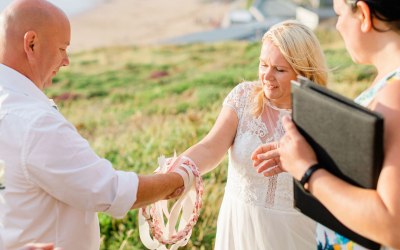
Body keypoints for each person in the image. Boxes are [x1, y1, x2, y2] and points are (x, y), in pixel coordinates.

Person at [0, 0, 186, 249]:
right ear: (31, 43)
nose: (66, 61)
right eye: (61, 48)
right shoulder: (37, 125)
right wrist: (179, 179)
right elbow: (110, 191)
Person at [252, 0, 400, 249]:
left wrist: (308, 171)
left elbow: (393, 226)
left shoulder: (394, 94)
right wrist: (305, 156)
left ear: (363, 14)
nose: (338, 26)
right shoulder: (387, 81)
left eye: (339, 14)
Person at [173, 20, 328, 249]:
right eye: (263, 64)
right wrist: (177, 171)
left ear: (303, 71)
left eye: (279, 69)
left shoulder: (322, 114)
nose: (267, 75)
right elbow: (210, 148)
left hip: (294, 235)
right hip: (240, 225)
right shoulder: (243, 97)